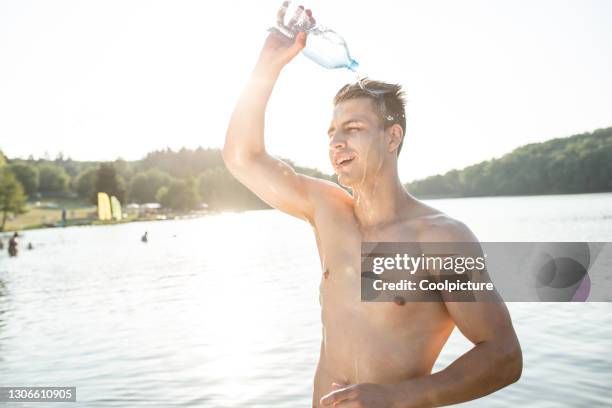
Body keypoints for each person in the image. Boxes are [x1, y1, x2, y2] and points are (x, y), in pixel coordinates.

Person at [223, 4, 522, 407]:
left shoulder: (439, 238)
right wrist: (268, 64)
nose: (336, 143)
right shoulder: (327, 211)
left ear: (392, 137)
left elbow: (503, 356)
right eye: (332, 132)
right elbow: (242, 156)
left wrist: (396, 397)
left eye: (354, 129)